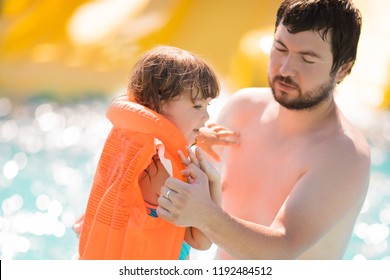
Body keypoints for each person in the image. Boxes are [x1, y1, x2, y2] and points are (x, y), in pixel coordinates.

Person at [157, 0, 371, 259]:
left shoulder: (343, 155)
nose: (285, 69)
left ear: (343, 69)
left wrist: (205, 215)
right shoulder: (242, 109)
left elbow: (282, 250)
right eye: (280, 48)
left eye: (307, 58)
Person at [76, 45, 223, 260]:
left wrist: (198, 136)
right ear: (159, 104)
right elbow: (201, 239)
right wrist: (214, 182)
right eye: (198, 106)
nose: (207, 116)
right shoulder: (168, 172)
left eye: (208, 106)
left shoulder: (132, 146)